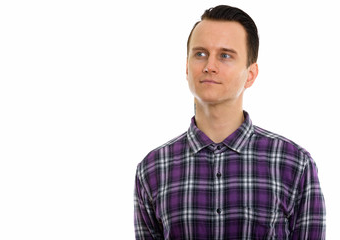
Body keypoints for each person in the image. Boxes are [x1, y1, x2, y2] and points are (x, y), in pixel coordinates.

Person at [134, 5, 326, 239]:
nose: (209, 66)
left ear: (251, 74)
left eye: (225, 56)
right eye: (200, 54)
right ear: (186, 67)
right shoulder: (152, 169)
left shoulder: (295, 164)